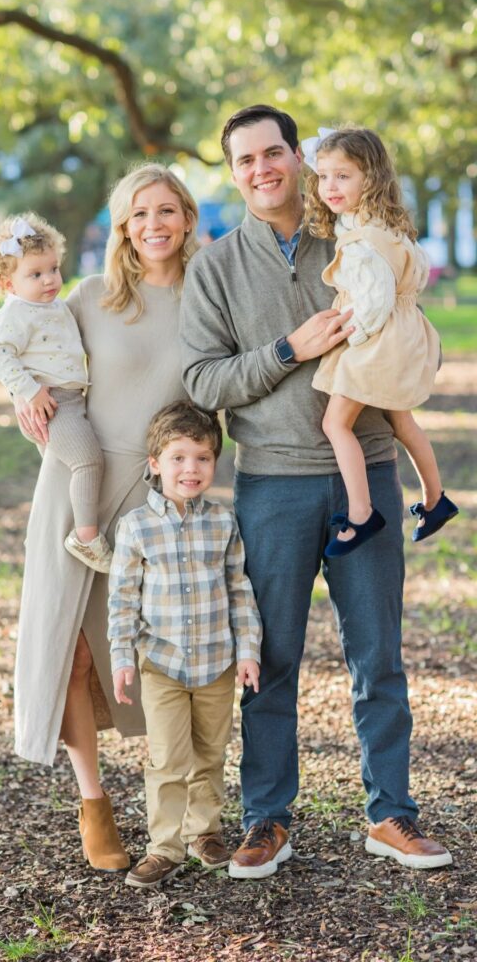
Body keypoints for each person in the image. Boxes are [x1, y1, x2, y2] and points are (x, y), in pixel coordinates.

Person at [180, 104, 452, 878]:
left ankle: (391, 813)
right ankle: (267, 818)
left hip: (369, 468)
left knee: (379, 656)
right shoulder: (216, 267)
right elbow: (202, 379)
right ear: (233, 173)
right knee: (270, 657)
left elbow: (403, 317)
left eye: (274, 153)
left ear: (298, 157)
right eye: (245, 160)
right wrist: (286, 350)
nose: (262, 169)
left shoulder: (354, 232)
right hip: (273, 485)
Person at [12, 164, 200, 871]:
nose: (153, 224)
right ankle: (93, 802)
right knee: (74, 647)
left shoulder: (209, 295)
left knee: (160, 654)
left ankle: (177, 804)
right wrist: (24, 398)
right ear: (123, 225)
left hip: (159, 497)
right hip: (78, 487)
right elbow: (28, 352)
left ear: (186, 216)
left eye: (166, 210)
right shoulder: (89, 297)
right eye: (138, 214)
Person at [107, 400, 262, 889]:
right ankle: (164, 847)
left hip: (217, 664)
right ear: (155, 464)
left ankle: (204, 832)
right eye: (178, 458)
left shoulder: (223, 522)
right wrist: (121, 656)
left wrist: (248, 651)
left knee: (210, 754)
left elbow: (239, 589)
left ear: (214, 461)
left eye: (202, 458)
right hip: (163, 665)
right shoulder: (136, 527)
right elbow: (122, 599)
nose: (191, 469)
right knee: (168, 760)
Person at [301, 126, 458, 557]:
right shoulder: (387, 225)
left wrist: (353, 338)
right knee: (402, 422)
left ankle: (361, 513)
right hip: (402, 334)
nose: (329, 186)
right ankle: (435, 500)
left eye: (343, 176)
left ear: (369, 178)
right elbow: (412, 277)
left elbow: (375, 300)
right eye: (323, 176)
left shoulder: (361, 242)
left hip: (375, 340)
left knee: (335, 424)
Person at [0, 212, 112, 572]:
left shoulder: (53, 305)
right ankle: (86, 538)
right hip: (52, 404)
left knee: (62, 476)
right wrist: (28, 391)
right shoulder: (16, 314)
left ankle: (47, 534)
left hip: (68, 400)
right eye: (35, 274)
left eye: (53, 269)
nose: (50, 279)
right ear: (8, 284)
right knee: (88, 461)